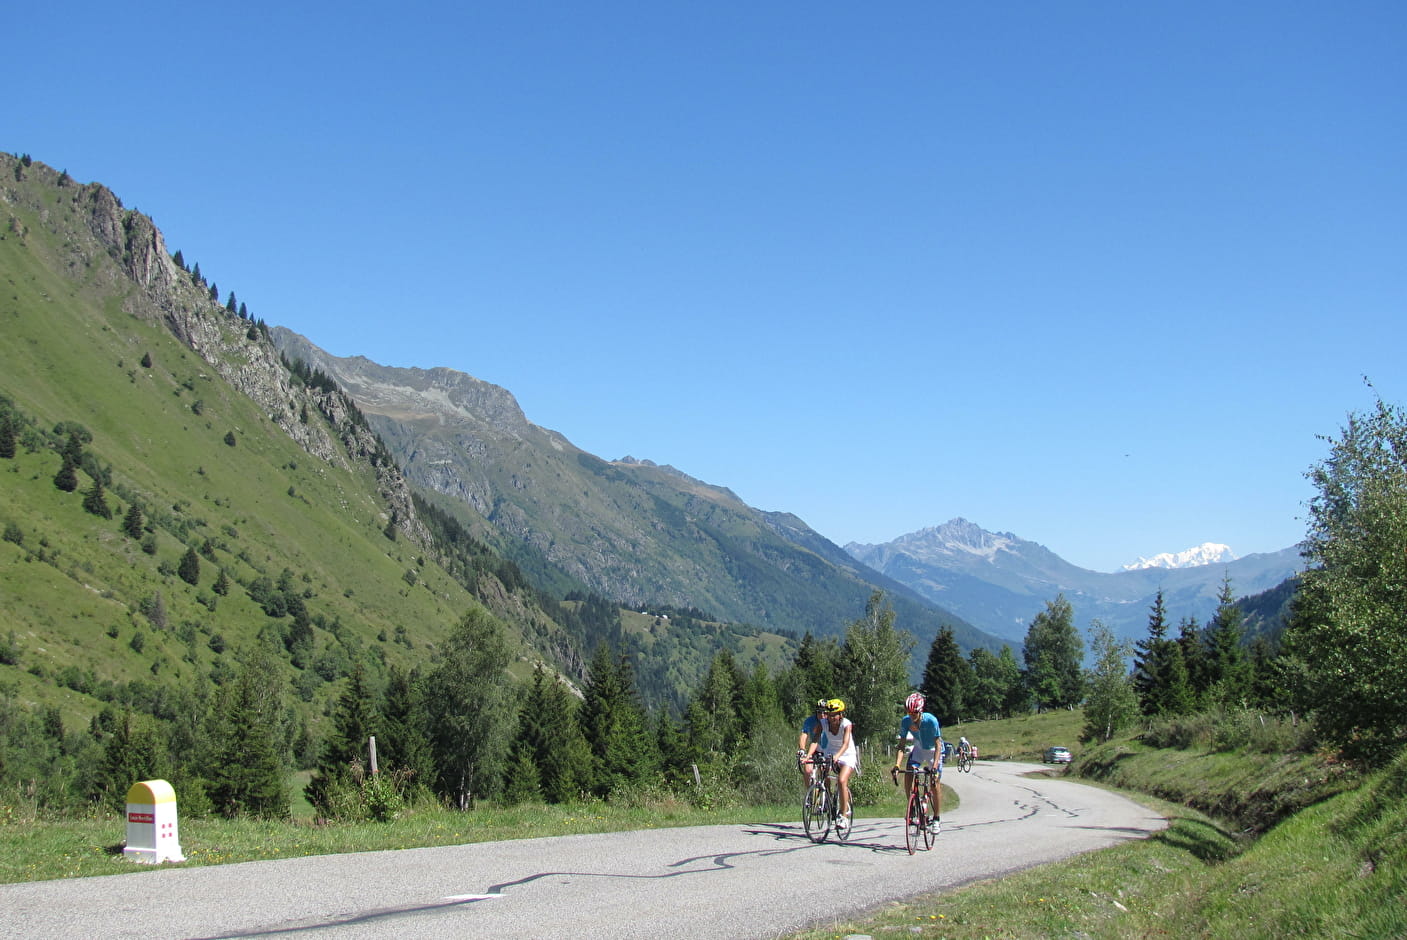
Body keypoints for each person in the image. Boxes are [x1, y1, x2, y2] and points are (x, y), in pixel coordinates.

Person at [891, 691, 942, 834]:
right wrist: (896, 765)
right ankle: (912, 806)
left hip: (933, 750)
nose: (911, 716)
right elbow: (901, 745)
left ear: (920, 711)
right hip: (919, 748)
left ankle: (937, 819)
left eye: (914, 713)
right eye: (909, 712)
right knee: (908, 773)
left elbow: (938, 744)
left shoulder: (931, 720)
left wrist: (935, 767)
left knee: (934, 783)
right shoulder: (906, 721)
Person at [805, 698, 859, 830]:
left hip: (846, 753)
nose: (831, 718)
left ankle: (843, 815)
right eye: (829, 715)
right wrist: (807, 756)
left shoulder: (846, 724)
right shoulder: (823, 723)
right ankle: (827, 799)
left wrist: (838, 756)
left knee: (841, 780)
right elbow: (815, 740)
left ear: (841, 715)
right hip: (830, 751)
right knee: (824, 773)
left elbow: (846, 744)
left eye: (834, 714)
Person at [796, 698, 829, 786]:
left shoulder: (830, 721)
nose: (822, 715)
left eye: (825, 713)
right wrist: (802, 749)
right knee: (807, 770)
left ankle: (828, 794)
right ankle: (810, 795)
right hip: (815, 749)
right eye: (819, 712)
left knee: (825, 774)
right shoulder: (810, 721)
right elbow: (804, 735)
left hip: (828, 750)